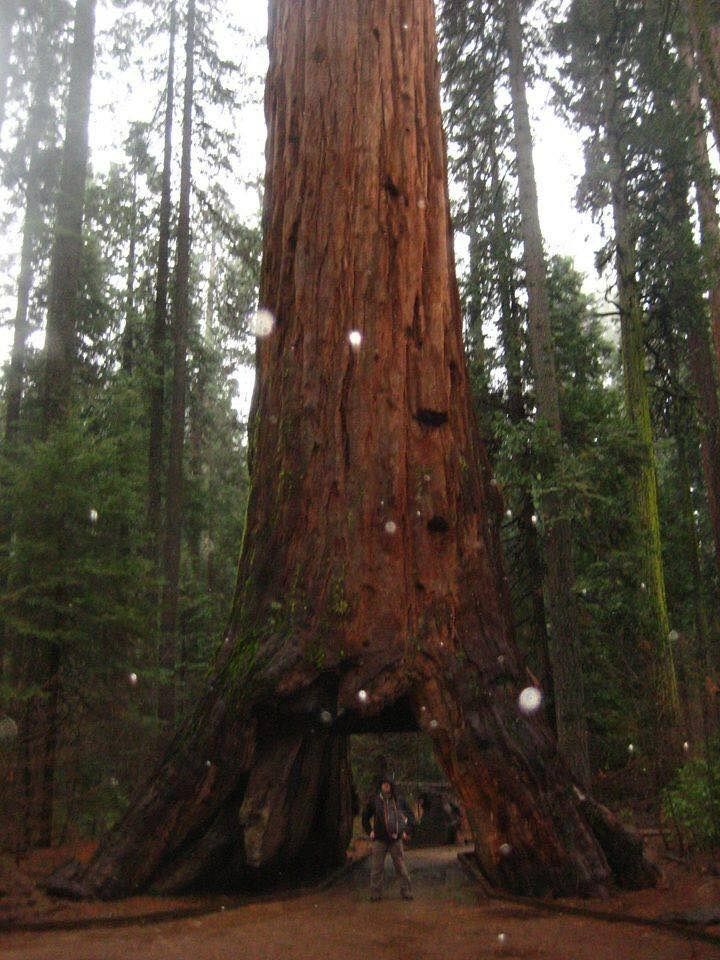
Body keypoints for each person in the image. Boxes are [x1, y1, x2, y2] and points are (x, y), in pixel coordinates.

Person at [362, 777, 415, 901]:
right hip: (379, 840)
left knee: (401, 867)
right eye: (383, 784)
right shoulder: (375, 801)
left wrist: (406, 831)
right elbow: (365, 817)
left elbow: (410, 817)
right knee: (376, 868)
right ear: (380, 786)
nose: (386, 787)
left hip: (396, 840)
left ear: (391, 786)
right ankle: (375, 894)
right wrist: (370, 831)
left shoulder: (399, 800)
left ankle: (406, 892)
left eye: (388, 784)